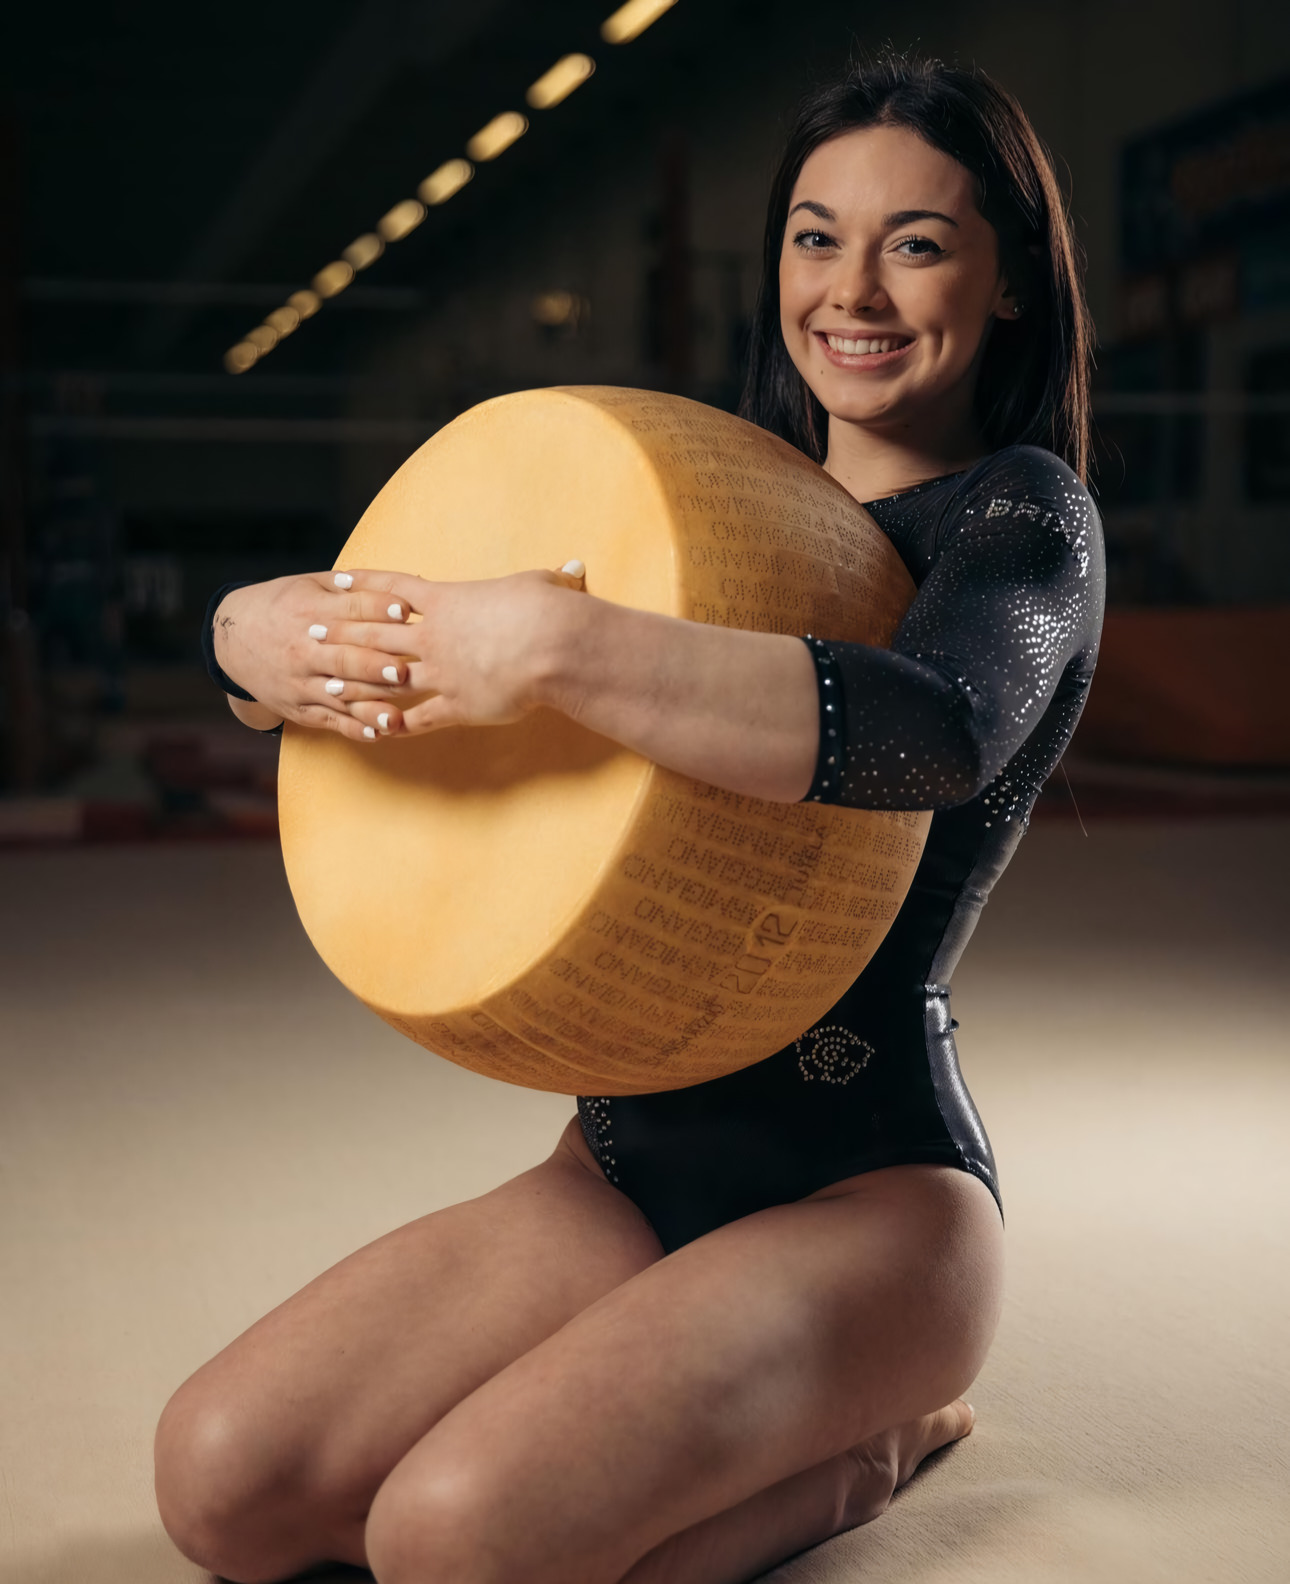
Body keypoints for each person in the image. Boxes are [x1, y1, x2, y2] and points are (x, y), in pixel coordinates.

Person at [156, 54, 1102, 1584]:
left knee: (456, 1541)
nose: (851, 289)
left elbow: (929, 729)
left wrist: (551, 647)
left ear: (1005, 282)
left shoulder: (1019, 515)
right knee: (225, 1486)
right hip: (622, 1165)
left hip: (871, 1195)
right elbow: (428, 631)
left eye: (916, 242)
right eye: (814, 236)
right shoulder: (688, 487)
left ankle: (879, 1434)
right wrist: (251, 638)